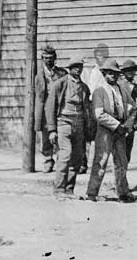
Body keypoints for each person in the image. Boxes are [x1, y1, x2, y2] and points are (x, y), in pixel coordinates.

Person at [86, 58, 134, 203]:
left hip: (120, 129)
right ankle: (92, 193)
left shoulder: (122, 90)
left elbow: (133, 107)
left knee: (122, 161)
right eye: (109, 73)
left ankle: (123, 192)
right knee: (101, 160)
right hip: (105, 130)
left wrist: (126, 124)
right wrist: (115, 125)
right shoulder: (99, 91)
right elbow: (99, 114)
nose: (112, 75)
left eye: (115, 73)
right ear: (104, 73)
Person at [46, 58, 93, 197]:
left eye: (80, 67)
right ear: (69, 68)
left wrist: (88, 126)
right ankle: (59, 189)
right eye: (75, 67)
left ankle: (69, 189)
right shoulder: (60, 84)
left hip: (79, 124)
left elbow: (87, 109)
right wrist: (52, 129)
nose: (78, 69)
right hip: (64, 123)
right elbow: (50, 107)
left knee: (77, 158)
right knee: (65, 155)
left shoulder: (84, 88)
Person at [33, 44, 65, 173]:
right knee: (46, 136)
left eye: (51, 58)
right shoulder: (37, 75)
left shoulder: (61, 73)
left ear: (55, 58)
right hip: (44, 109)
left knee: (59, 134)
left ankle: (60, 160)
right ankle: (47, 159)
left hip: (58, 108)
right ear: (42, 59)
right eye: (45, 58)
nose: (48, 60)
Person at [119, 59, 137, 165]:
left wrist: (136, 124)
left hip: (131, 123)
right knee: (118, 153)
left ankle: (123, 177)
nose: (130, 72)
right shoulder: (119, 85)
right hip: (119, 123)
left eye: (132, 70)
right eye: (128, 70)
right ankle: (119, 179)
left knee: (127, 153)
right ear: (124, 72)